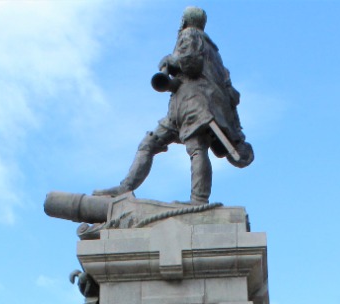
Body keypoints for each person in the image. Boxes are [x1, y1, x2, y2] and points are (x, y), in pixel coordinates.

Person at [94, 5, 253, 205]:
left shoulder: (190, 34)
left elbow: (191, 65)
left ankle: (198, 200)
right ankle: (126, 188)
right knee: (150, 143)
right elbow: (228, 92)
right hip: (182, 108)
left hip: (193, 105)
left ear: (183, 22)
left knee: (196, 147)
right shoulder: (215, 53)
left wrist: (171, 60)